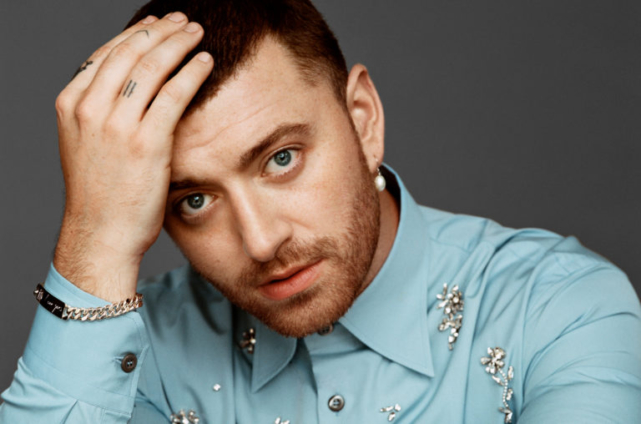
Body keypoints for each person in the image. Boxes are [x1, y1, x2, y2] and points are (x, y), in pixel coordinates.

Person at [1, 0, 640, 422]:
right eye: (194, 200)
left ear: (363, 120)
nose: (260, 241)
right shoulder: (139, 355)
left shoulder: (558, 309)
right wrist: (96, 240)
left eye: (281, 159)